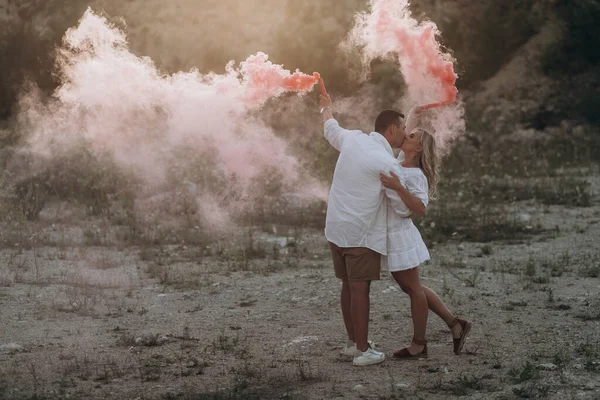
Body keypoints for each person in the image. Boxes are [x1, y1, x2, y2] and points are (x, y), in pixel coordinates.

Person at [319, 93, 409, 366]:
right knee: (360, 290)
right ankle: (362, 351)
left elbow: (330, 128)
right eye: (403, 129)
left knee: (348, 286)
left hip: (336, 229)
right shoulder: (388, 163)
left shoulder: (354, 138)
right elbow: (402, 209)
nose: (405, 134)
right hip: (360, 234)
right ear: (392, 130)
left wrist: (325, 105)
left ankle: (352, 343)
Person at [379, 107, 472, 358]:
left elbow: (419, 208)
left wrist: (398, 187)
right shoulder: (399, 162)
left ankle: (419, 344)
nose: (405, 136)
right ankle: (455, 324)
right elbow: (405, 133)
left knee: (413, 289)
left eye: (410, 137)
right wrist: (412, 113)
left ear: (417, 149)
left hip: (401, 235)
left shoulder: (416, 175)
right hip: (392, 234)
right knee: (412, 287)